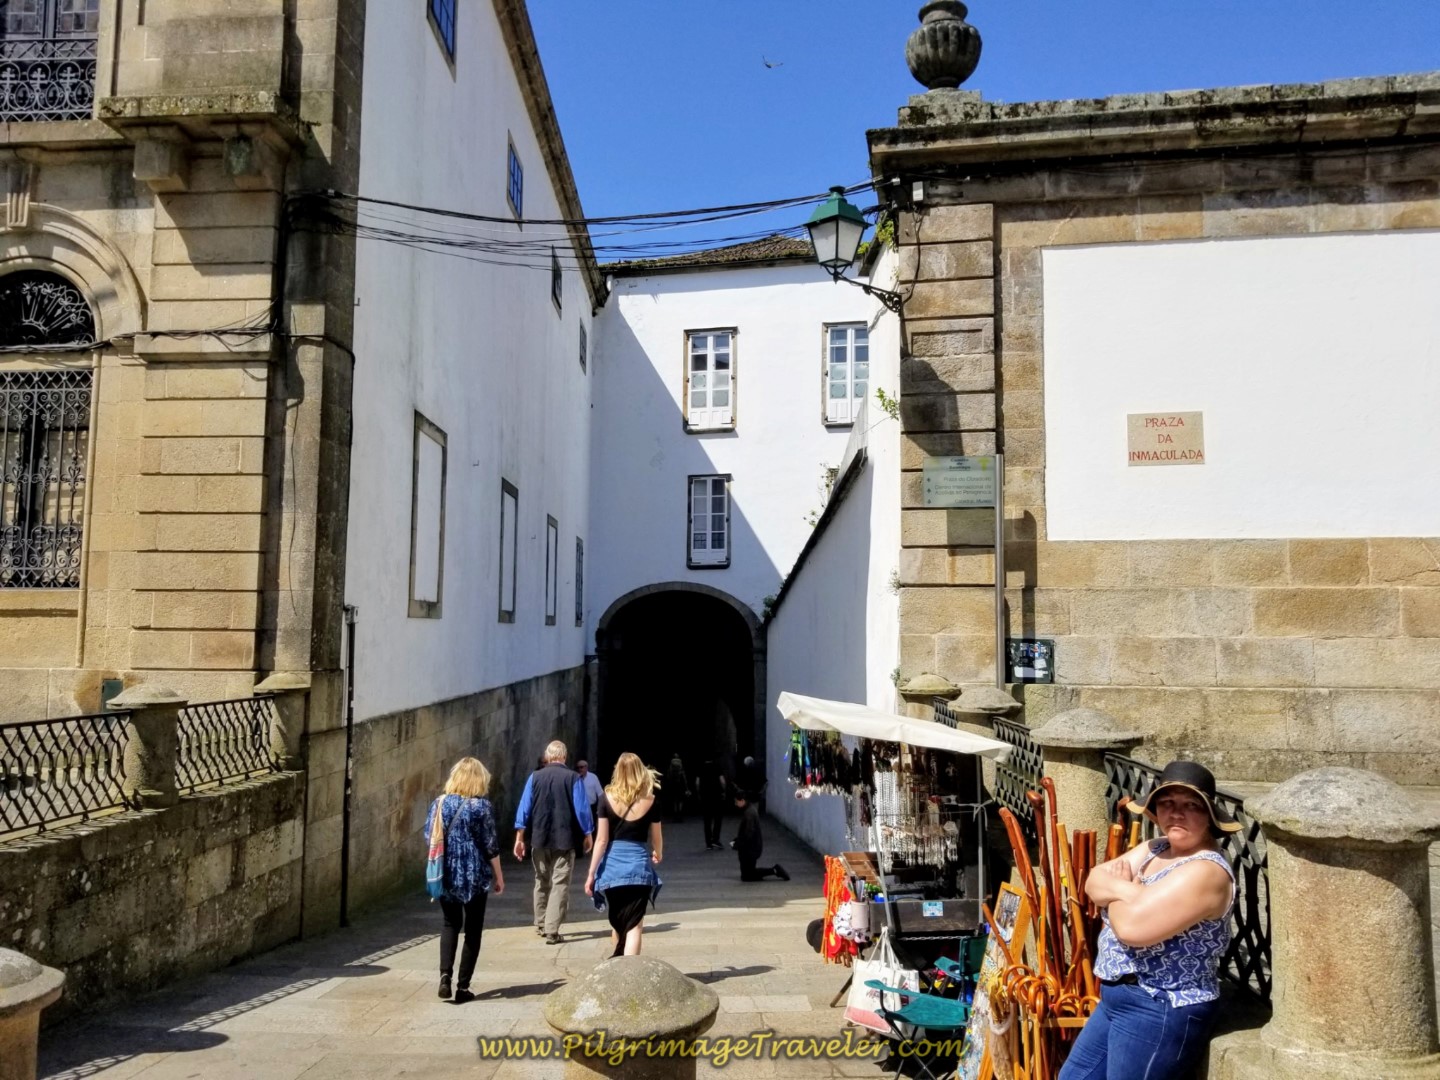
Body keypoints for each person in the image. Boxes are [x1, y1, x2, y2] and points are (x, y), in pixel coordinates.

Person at [1059, 760, 1239, 1080]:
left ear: (1210, 816)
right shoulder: (1156, 848)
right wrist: (1134, 893)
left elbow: (1131, 930)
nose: (1177, 812)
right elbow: (1092, 881)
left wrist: (1115, 893)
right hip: (1117, 996)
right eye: (1167, 803)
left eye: (1191, 805)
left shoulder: (1206, 871)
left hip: (1159, 1006)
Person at [423, 757, 504, 1004]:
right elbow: (490, 845)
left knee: (450, 924)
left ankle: (444, 977)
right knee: (473, 930)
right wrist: (499, 876)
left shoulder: (439, 804)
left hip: (447, 873)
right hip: (474, 876)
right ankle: (463, 986)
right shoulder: (481, 807)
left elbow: (429, 835)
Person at [513, 739, 594, 944]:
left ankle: (540, 922)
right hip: (564, 839)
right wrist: (588, 833)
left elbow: (524, 808)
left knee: (540, 880)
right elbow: (582, 809)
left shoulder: (535, 777)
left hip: (539, 837)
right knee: (560, 883)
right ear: (564, 757)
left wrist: (519, 837)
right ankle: (551, 929)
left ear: (548, 757)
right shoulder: (573, 778)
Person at [584, 752, 664, 957]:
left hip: (612, 869)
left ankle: (618, 969)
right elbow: (656, 837)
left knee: (619, 923)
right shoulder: (651, 800)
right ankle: (629, 974)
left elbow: (601, 840)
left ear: (617, 772)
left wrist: (591, 874)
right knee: (635, 926)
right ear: (640, 772)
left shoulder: (605, 799)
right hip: (638, 867)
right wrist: (658, 852)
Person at [732, 790, 788, 882]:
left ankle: (774, 870)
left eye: (736, 801)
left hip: (750, 849)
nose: (735, 804)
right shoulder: (750, 810)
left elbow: (748, 833)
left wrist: (738, 843)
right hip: (752, 848)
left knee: (747, 875)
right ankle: (773, 871)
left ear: (742, 801)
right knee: (747, 874)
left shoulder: (749, 813)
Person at [697, 758, 728, 850]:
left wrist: (699, 794)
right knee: (718, 819)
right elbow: (722, 781)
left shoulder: (701, 767)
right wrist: (724, 792)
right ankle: (715, 839)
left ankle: (708, 843)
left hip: (705, 797)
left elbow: (697, 783)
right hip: (716, 796)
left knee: (707, 821)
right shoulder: (717, 766)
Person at [577, 759, 604, 828]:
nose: (579, 769)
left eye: (581, 767)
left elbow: (600, 794)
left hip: (592, 807)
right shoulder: (575, 778)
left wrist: (600, 809)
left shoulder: (593, 777)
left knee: (592, 828)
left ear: (586, 767)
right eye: (578, 767)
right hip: (580, 808)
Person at [664, 752, 689, 822]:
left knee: (675, 801)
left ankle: (675, 816)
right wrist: (687, 788)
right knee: (680, 801)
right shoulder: (681, 769)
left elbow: (668, 778)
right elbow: (685, 779)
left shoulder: (671, 769)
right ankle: (680, 815)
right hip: (680, 786)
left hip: (673, 786)